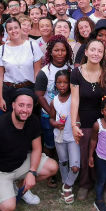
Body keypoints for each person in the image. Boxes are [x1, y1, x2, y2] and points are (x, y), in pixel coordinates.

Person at [0, 90, 59, 211]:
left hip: (19, 163)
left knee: (52, 167)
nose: (25, 110)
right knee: (8, 208)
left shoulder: (33, 120)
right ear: (13, 105)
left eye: (29, 106)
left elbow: (37, 149)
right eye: (21, 105)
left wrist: (32, 172)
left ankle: (21, 189)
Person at [70, 39, 106, 200]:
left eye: (100, 51)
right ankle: (85, 184)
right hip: (85, 119)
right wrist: (74, 124)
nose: (96, 53)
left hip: (105, 120)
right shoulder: (76, 73)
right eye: (92, 50)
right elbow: (75, 100)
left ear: (103, 54)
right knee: (85, 153)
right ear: (86, 52)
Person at [34, 35, 74, 183]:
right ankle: (50, 172)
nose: (60, 53)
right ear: (50, 52)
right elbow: (39, 95)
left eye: (63, 50)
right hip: (48, 114)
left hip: (68, 114)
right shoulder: (45, 71)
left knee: (66, 141)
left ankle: (68, 168)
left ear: (67, 51)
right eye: (56, 50)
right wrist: (51, 112)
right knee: (50, 143)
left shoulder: (70, 70)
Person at [0, 17, 44, 112]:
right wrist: (0, 98)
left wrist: (37, 93)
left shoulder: (32, 45)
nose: (13, 31)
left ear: (20, 28)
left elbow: (37, 72)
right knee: (10, 118)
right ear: (7, 32)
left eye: (16, 27)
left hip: (29, 88)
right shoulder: (1, 50)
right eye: (10, 29)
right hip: (9, 90)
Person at [49, 70, 78, 204]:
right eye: (59, 82)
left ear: (70, 83)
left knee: (75, 167)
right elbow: (51, 118)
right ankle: (66, 185)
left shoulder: (74, 98)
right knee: (63, 162)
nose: (62, 85)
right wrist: (55, 123)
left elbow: (78, 117)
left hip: (73, 137)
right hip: (59, 137)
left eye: (65, 82)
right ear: (55, 84)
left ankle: (67, 186)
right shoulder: (54, 101)